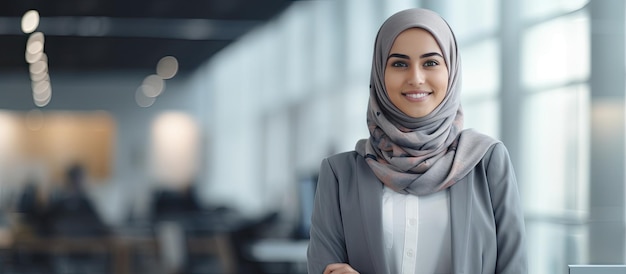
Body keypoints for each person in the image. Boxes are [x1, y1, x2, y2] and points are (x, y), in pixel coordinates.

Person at [307, 8, 527, 274]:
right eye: (399, 63)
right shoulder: (340, 174)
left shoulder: (487, 161)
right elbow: (324, 266)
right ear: (379, 73)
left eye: (431, 63)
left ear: (452, 70)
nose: (415, 78)